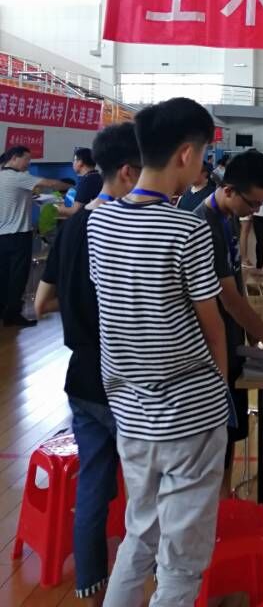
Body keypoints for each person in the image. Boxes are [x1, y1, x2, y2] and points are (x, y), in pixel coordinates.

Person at [87, 97, 231, 606]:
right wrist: (222, 391)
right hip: (191, 413)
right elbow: (212, 324)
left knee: (140, 533)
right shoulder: (186, 228)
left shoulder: (98, 222)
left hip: (131, 411)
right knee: (181, 565)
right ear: (187, 155)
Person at [35, 123, 141, 606]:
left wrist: (79, 305)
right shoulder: (128, 228)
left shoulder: (74, 227)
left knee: (94, 482)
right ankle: (142, 586)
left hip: (80, 376)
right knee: (145, 489)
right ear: (129, 171)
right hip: (126, 379)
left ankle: (90, 584)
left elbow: (41, 303)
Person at [195, 152, 263, 495]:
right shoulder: (202, 226)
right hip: (209, 354)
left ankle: (225, 499)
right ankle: (215, 505)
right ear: (229, 189)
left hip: (230, 345)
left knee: (229, 437)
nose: (256, 211)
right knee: (212, 443)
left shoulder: (227, 218)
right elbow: (230, 300)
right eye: (253, 203)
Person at [0, 145, 72, 328]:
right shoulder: (19, 177)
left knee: (3, 275)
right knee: (18, 277)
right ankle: (12, 315)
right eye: (26, 159)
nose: (28, 163)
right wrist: (71, 186)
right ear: (14, 158)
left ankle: (3, 311)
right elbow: (50, 184)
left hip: (2, 236)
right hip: (18, 236)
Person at [57, 147, 103, 218]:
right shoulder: (97, 177)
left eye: (74, 160)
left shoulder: (87, 181)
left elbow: (75, 211)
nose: (73, 163)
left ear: (80, 162)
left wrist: (56, 208)